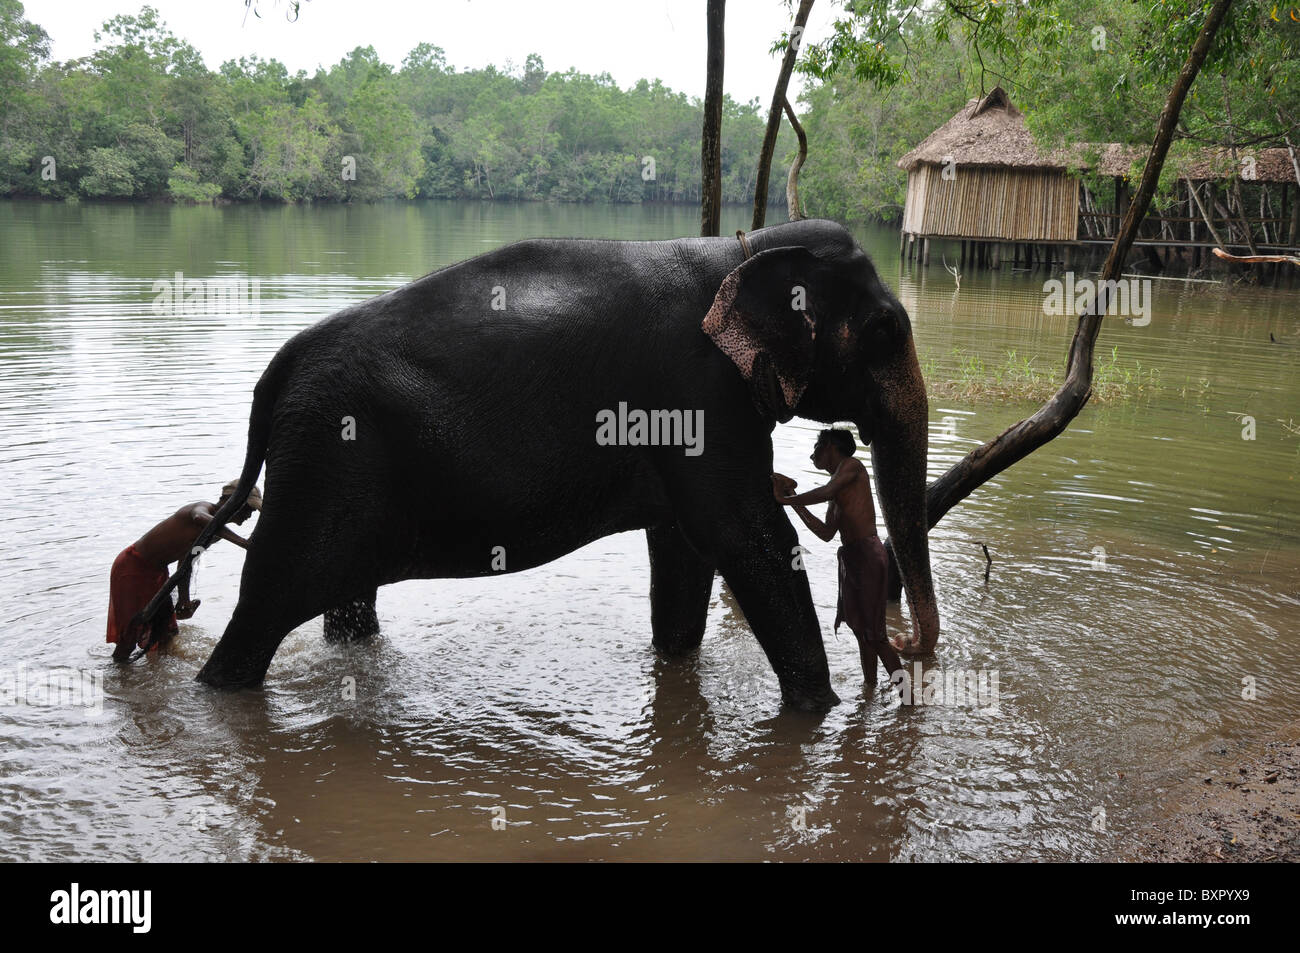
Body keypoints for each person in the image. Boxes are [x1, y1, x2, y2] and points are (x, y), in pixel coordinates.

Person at [772, 428, 903, 688]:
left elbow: (825, 491)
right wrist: (791, 500)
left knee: (875, 636)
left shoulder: (851, 467)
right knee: (861, 633)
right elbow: (825, 533)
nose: (811, 455)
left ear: (830, 445)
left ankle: (908, 698)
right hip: (853, 559)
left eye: (817, 447)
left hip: (867, 556)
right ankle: (870, 689)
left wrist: (785, 500)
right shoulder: (837, 489)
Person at [106, 480, 261, 661]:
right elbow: (199, 517)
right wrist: (243, 543)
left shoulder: (216, 534)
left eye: (253, 510)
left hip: (158, 572)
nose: (250, 514)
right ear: (230, 501)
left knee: (165, 633)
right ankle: (116, 672)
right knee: (130, 636)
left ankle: (152, 678)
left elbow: (186, 562)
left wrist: (184, 599)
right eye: (248, 508)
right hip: (132, 566)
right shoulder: (201, 508)